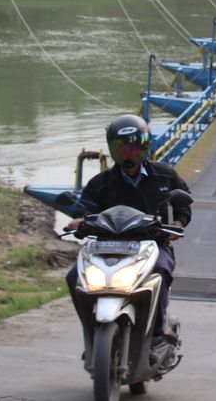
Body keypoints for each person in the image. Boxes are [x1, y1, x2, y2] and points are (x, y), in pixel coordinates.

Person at [65, 115, 192, 353]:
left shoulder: (164, 175)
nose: (129, 154)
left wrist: (178, 221)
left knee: (162, 272)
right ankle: (91, 330)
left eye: (134, 147)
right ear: (113, 150)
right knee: (74, 277)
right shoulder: (100, 183)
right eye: (122, 148)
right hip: (106, 247)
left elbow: (184, 201)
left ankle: (158, 333)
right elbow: (86, 208)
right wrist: (80, 221)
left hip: (152, 245)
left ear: (145, 146)